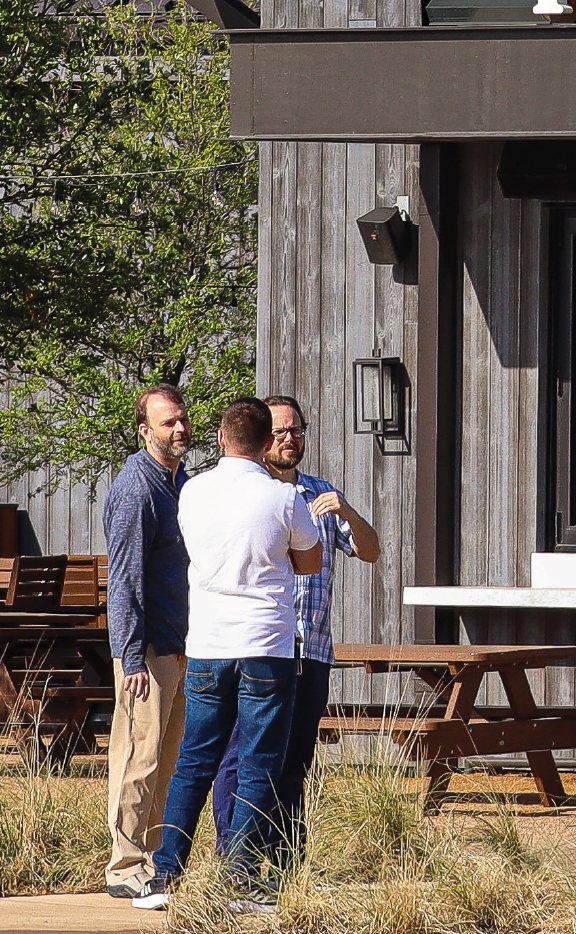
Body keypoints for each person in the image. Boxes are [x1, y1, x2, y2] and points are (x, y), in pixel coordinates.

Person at [143, 398, 325, 913]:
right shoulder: (282, 496)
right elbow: (309, 563)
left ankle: (164, 874)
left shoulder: (193, 490)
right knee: (259, 762)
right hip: (266, 644)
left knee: (195, 760)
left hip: (206, 644)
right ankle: (240, 878)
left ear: (221, 440)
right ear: (268, 443)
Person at [210, 394, 382, 852]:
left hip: (311, 649)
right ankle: (234, 857)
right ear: (263, 437)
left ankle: (284, 859)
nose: (290, 439)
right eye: (281, 431)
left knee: (295, 759)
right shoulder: (246, 495)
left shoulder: (318, 494)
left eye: (297, 430)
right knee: (240, 756)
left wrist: (345, 510)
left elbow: (371, 550)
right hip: (258, 647)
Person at [101, 386, 194, 899]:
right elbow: (125, 581)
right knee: (138, 758)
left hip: (179, 644)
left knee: (168, 758)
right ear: (145, 431)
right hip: (147, 652)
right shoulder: (137, 489)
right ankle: (123, 866)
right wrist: (132, 656)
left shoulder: (180, 483)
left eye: (182, 420)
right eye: (167, 424)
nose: (179, 429)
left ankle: (153, 860)